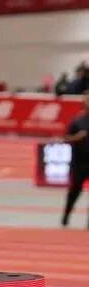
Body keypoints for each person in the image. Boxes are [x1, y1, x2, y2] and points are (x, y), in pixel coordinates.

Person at [60, 91, 89, 227]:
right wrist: (76, 137)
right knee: (74, 192)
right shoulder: (77, 121)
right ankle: (66, 216)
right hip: (79, 164)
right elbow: (65, 138)